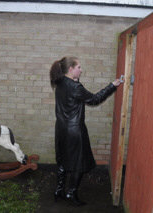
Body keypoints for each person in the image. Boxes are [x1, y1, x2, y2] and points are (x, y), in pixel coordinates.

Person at [49, 56, 121, 206]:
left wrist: (77, 82)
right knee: (79, 164)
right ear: (71, 69)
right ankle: (70, 193)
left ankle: (59, 190)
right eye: (79, 67)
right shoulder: (75, 87)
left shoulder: (60, 82)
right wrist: (113, 85)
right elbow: (94, 99)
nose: (81, 70)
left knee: (63, 160)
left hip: (61, 130)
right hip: (75, 131)